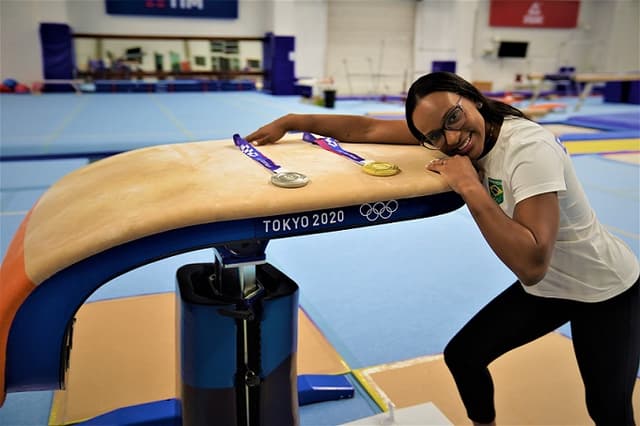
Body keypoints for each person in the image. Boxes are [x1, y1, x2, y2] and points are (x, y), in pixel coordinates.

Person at [245, 71, 640, 425]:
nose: (451, 139)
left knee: (608, 409)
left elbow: (533, 262)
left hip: (603, 289)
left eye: (453, 118)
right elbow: (367, 129)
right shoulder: (452, 134)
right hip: (550, 289)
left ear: (470, 98)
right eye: (434, 136)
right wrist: (292, 121)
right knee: (465, 357)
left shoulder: (528, 149)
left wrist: (469, 186)